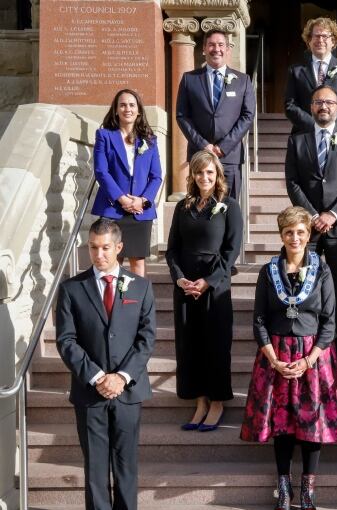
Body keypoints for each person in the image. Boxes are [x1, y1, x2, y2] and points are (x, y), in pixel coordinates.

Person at [240, 206, 337, 510]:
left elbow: (330, 322)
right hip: (276, 355)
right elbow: (259, 320)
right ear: (281, 235)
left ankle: (308, 490)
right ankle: (284, 489)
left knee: (311, 425)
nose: (295, 238)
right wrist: (274, 360)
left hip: (313, 357)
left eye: (301, 232)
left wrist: (309, 359)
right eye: (289, 232)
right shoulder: (268, 271)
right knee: (283, 425)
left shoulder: (323, 270)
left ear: (308, 235)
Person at [55, 218, 155, 510]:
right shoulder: (72, 288)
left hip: (127, 391)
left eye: (105, 247)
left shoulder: (140, 287)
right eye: (93, 247)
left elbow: (146, 339)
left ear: (119, 247)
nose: (98, 254)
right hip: (90, 391)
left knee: (125, 464)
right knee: (96, 465)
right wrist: (98, 376)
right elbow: (66, 341)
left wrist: (122, 377)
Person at [285, 85, 337, 365]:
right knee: (306, 285)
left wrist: (332, 214)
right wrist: (311, 215)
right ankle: (310, 338)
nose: (324, 107)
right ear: (310, 107)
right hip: (308, 230)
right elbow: (292, 181)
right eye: (318, 101)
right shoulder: (297, 140)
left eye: (329, 102)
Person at [166, 150, 242, 431]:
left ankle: (218, 401)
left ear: (218, 174)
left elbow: (231, 250)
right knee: (190, 345)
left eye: (210, 172)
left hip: (215, 286)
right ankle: (199, 401)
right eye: (199, 172)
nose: (205, 177)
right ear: (193, 176)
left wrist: (208, 281)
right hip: (185, 287)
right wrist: (180, 279)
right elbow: (172, 248)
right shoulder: (182, 206)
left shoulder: (229, 206)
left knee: (216, 344)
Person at [176, 29, 256, 199]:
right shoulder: (189, 79)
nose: (216, 49)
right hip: (199, 155)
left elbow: (248, 116)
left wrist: (222, 147)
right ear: (204, 48)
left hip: (229, 156)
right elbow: (182, 115)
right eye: (211, 44)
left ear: (228, 49)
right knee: (199, 205)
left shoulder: (243, 80)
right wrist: (203, 145)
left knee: (228, 206)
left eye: (221, 45)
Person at [92, 88, 163, 277]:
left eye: (132, 105)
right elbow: (101, 171)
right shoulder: (104, 136)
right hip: (112, 208)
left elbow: (156, 176)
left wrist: (143, 200)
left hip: (141, 211)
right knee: (112, 262)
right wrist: (122, 199)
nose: (127, 109)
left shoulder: (150, 140)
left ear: (139, 110)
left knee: (138, 263)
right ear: (116, 109)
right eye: (122, 105)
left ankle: (137, 305)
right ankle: (112, 304)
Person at [285, 17, 337, 133]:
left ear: (333, 41)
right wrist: (314, 126)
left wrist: (331, 126)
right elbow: (290, 105)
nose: (320, 40)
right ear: (309, 41)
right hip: (305, 135)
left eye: (325, 36)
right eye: (316, 36)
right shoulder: (296, 71)